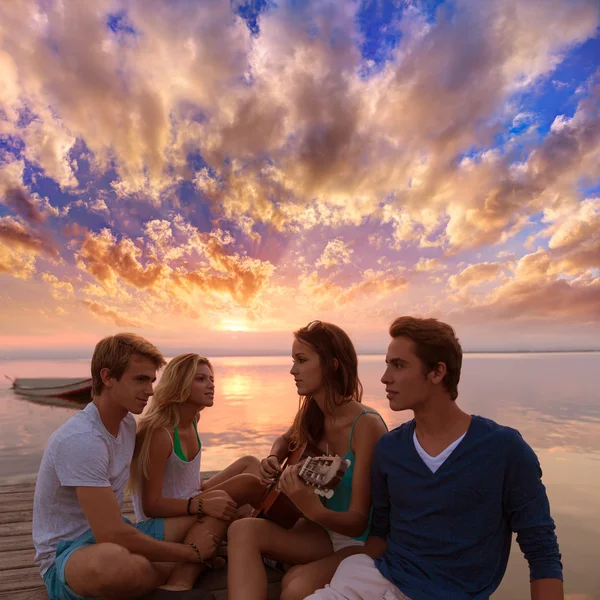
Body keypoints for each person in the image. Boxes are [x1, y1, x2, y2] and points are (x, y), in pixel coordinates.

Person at [306, 316, 564, 600]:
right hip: (374, 580)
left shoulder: (503, 449)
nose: (385, 377)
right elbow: (380, 534)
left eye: (399, 365)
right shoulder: (390, 448)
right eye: (387, 364)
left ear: (437, 372)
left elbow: (541, 549)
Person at [32, 333, 222, 600]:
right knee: (113, 564)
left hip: (121, 533)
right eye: (140, 380)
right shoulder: (81, 439)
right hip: (69, 556)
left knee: (217, 510)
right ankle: (179, 569)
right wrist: (191, 551)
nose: (151, 390)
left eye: (152, 380)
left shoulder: (127, 425)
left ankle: (169, 579)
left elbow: (125, 523)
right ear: (108, 377)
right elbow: (110, 534)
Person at [227, 320, 388, 600]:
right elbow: (285, 440)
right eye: (293, 360)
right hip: (320, 531)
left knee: (295, 587)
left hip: (360, 541)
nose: (292, 370)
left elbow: (359, 523)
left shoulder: (366, 426)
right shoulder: (312, 412)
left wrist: (309, 506)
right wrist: (274, 457)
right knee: (242, 530)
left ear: (332, 365)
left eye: (301, 360)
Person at [131, 353, 266, 529]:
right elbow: (150, 506)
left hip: (192, 498)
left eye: (211, 379)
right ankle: (276, 526)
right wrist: (202, 504)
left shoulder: (194, 419)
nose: (211, 385)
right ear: (180, 385)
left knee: (250, 463)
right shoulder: (160, 435)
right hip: (166, 520)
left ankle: (250, 523)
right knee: (246, 484)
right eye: (201, 379)